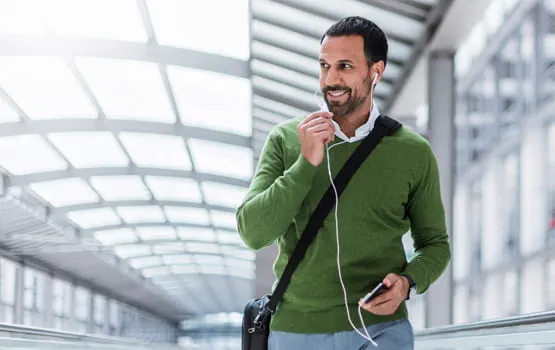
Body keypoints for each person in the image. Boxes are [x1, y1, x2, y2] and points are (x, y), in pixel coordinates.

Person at [236, 16, 451, 350]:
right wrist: (305, 164)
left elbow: (435, 243)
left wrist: (408, 283)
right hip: (297, 332)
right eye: (325, 66)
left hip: (382, 331)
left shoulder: (413, 152)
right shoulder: (287, 139)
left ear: (375, 71)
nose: (330, 79)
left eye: (345, 66)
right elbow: (253, 232)